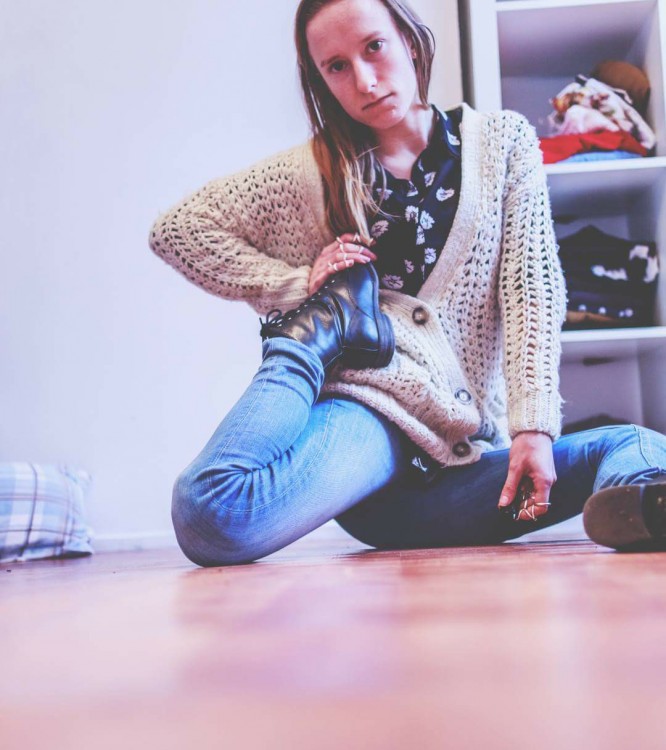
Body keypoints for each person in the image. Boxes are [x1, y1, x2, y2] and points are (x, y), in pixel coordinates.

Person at [149, 0, 666, 566]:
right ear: (320, 79)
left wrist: (533, 427)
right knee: (212, 514)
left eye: (374, 46)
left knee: (637, 445)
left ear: (410, 40)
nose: (365, 80)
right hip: (371, 425)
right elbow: (179, 230)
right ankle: (311, 334)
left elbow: (532, 292)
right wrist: (297, 286)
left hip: (466, 460)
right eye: (336, 66)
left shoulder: (502, 143)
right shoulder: (310, 171)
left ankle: (648, 515)